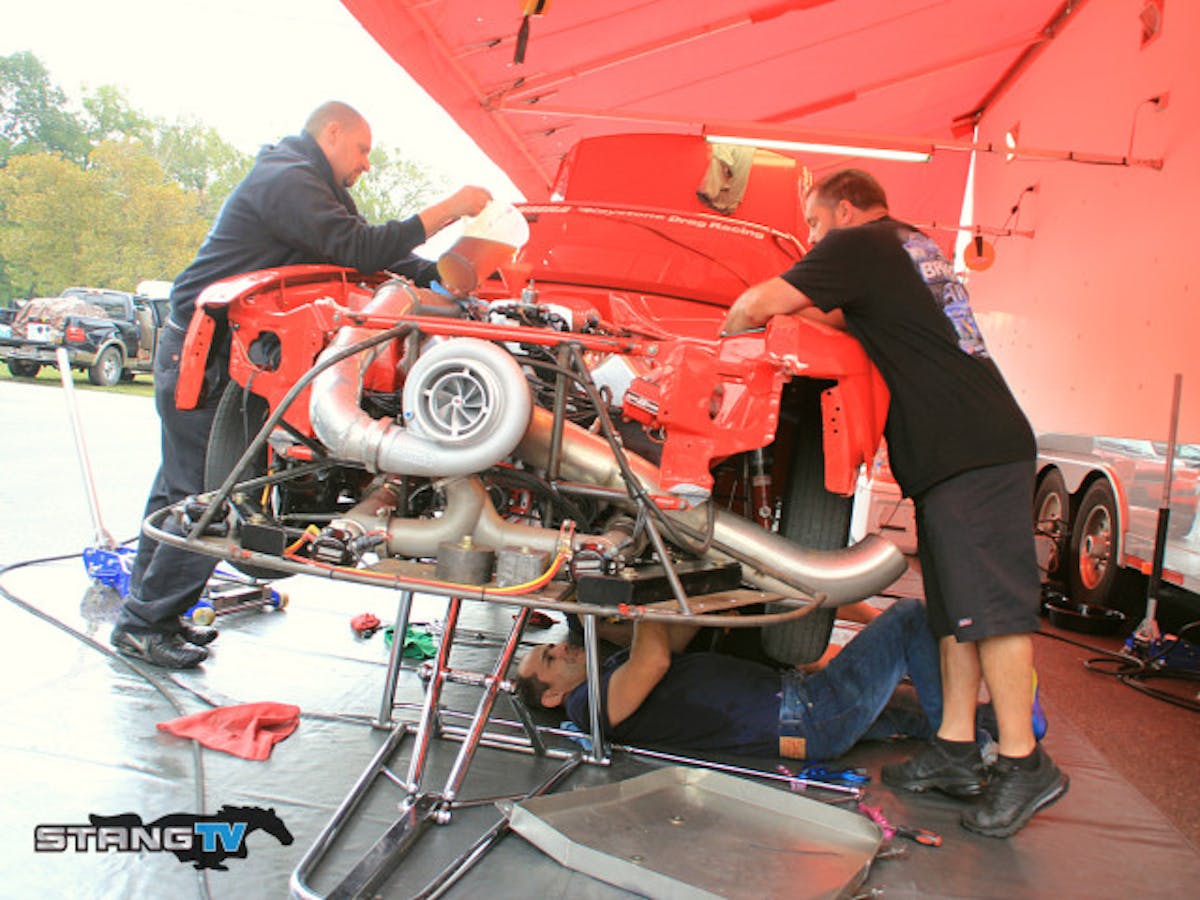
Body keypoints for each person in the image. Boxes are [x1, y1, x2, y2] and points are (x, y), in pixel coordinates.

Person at [719, 169, 1067, 838]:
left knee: (992, 614)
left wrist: (725, 343)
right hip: (956, 454)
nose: (814, 241)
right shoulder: (905, 249)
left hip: (973, 452)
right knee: (953, 614)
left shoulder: (859, 244)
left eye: (814, 226)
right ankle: (956, 750)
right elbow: (829, 316)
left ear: (844, 210)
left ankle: (1025, 763)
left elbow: (759, 304)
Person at [112, 101, 492, 669]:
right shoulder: (286, 178)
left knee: (182, 488)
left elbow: (367, 254)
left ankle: (147, 616)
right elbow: (358, 247)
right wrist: (453, 210)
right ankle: (146, 623)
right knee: (205, 495)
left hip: (229, 352)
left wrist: (434, 277)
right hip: (207, 351)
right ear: (331, 133)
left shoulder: (316, 186)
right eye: (362, 149)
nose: (366, 164)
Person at [515, 598, 944, 762]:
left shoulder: (606, 674)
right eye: (549, 658)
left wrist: (688, 595)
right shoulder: (586, 706)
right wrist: (643, 597)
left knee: (913, 714)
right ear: (552, 696)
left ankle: (992, 735)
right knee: (908, 616)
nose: (561, 647)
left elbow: (674, 638)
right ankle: (959, 750)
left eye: (550, 647)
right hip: (806, 715)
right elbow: (655, 662)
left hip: (805, 709)